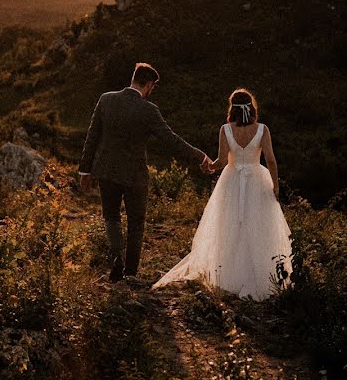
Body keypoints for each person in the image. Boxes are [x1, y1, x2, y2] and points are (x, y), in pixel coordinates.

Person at [151, 88, 293, 299]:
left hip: (231, 181)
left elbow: (223, 161)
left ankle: (227, 275)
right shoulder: (262, 129)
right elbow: (271, 160)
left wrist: (209, 166)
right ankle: (260, 274)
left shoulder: (226, 129)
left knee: (230, 225)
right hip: (257, 179)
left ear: (232, 109)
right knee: (259, 226)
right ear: (252, 108)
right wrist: (275, 186)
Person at [79, 63, 211, 283]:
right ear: (149, 84)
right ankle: (130, 272)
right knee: (136, 223)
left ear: (133, 78)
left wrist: (85, 170)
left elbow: (92, 137)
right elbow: (172, 141)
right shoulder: (149, 110)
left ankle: (116, 262)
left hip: (107, 170)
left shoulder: (106, 99)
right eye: (153, 87)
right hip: (135, 175)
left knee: (111, 217)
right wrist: (200, 156)